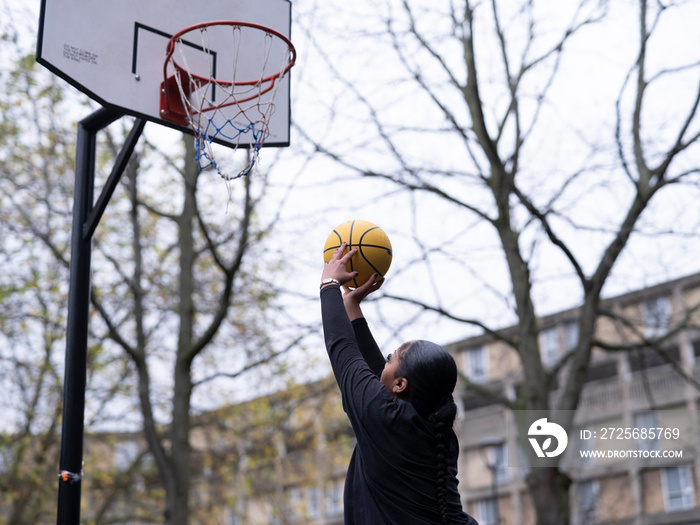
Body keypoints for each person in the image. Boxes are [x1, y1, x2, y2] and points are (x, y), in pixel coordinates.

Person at [320, 243, 478, 525]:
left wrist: (329, 284)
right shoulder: (435, 433)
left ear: (401, 384)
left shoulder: (384, 418)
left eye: (392, 356)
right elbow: (379, 373)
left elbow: (342, 348)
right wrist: (352, 308)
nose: (386, 359)